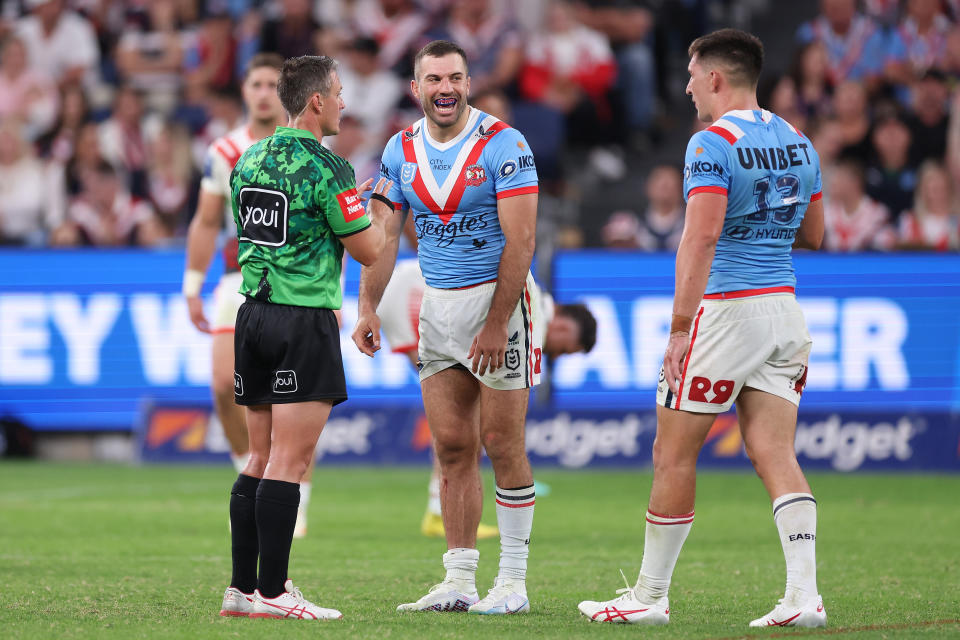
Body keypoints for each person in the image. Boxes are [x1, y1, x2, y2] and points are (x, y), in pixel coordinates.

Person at [577, 29, 827, 628]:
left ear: (715, 77)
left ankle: (650, 596)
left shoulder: (709, 144)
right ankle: (804, 597)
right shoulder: (798, 140)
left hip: (726, 311)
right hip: (784, 309)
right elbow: (814, 236)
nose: (687, 86)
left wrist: (681, 327)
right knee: (772, 451)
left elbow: (702, 235)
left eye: (692, 75)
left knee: (672, 450)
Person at [352, 40, 540, 615]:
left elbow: (522, 241)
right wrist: (367, 307)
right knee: (452, 445)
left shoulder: (505, 144)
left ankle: (513, 582)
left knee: (502, 442)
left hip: (497, 305)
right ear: (416, 88)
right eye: (433, 79)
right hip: (437, 306)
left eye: (455, 77)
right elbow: (380, 235)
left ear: (468, 82)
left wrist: (497, 319)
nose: (445, 89)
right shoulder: (399, 149)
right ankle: (459, 580)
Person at [218, 54, 391, 621]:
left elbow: (284, 228)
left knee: (259, 457)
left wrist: (345, 208)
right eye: (338, 92)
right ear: (316, 101)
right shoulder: (329, 168)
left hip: (254, 317)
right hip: (303, 320)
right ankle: (273, 593)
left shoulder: (249, 158)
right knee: (290, 462)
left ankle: (243, 590)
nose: (344, 102)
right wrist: (377, 211)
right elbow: (367, 250)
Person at [183, 53, 317, 537]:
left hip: (298, 284)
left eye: (270, 84)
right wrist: (192, 284)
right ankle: (251, 465)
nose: (263, 92)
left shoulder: (306, 148)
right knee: (225, 384)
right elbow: (205, 220)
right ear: (244, 91)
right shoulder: (225, 150)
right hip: (239, 280)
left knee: (297, 395)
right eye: (255, 83)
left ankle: (294, 488)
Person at [377, 253, 596, 539]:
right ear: (566, 327)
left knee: (455, 418)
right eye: (564, 349)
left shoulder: (535, 297)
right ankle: (442, 512)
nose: (557, 355)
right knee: (462, 420)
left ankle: (438, 509)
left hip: (407, 285)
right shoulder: (535, 308)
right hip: (413, 295)